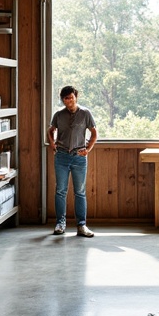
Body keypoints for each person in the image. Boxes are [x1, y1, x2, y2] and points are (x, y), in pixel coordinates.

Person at [47, 85, 98, 237]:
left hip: (79, 157)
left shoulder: (85, 113)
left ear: (76, 96)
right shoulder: (58, 114)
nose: (68, 101)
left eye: (71, 97)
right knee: (60, 191)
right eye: (65, 98)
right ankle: (60, 223)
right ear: (62, 99)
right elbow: (50, 130)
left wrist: (88, 149)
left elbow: (94, 133)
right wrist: (52, 143)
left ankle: (81, 225)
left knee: (80, 192)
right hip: (61, 156)